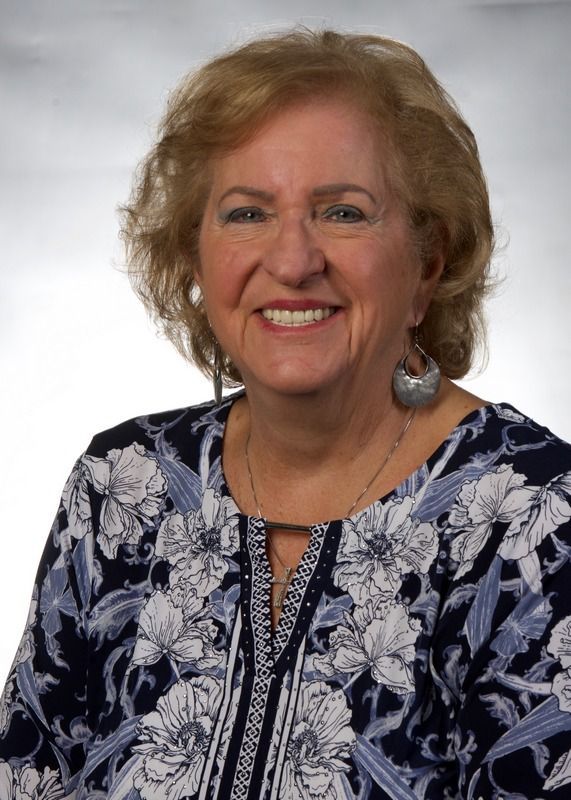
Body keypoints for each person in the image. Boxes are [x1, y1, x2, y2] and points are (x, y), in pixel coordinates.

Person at [1, 26, 570, 800]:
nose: (293, 261)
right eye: (246, 214)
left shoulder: (532, 518)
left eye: (343, 212)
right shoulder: (120, 487)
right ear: (195, 257)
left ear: (425, 263)